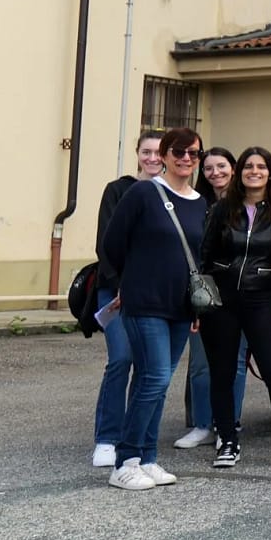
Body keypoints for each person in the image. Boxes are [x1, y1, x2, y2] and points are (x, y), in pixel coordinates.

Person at [100, 127, 208, 490]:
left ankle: (147, 457)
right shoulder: (143, 193)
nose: (187, 159)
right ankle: (125, 461)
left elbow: (198, 258)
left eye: (194, 153)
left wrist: (195, 310)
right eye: (179, 151)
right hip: (144, 302)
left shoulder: (199, 201)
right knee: (155, 378)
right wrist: (128, 283)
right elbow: (113, 244)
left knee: (157, 384)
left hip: (180, 306)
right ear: (163, 154)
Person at [200, 146, 271, 472]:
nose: (254, 171)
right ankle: (228, 442)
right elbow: (204, 258)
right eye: (248, 166)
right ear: (240, 172)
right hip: (221, 301)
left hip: (262, 300)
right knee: (221, 374)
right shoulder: (223, 209)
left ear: (270, 173)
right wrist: (201, 306)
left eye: (261, 167)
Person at [90, 130, 162, 469]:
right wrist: (120, 286)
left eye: (159, 152)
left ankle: (134, 441)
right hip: (118, 290)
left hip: (155, 294)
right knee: (121, 359)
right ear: (137, 153)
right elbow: (105, 245)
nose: (152, 158)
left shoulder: (173, 194)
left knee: (150, 368)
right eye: (146, 151)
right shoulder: (118, 190)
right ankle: (107, 437)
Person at [178, 145, 244, 450]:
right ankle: (203, 424)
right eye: (208, 168)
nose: (215, 173)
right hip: (203, 291)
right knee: (202, 362)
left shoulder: (249, 204)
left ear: (234, 167)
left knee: (237, 362)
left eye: (221, 166)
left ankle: (229, 424)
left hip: (243, 290)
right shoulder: (195, 204)